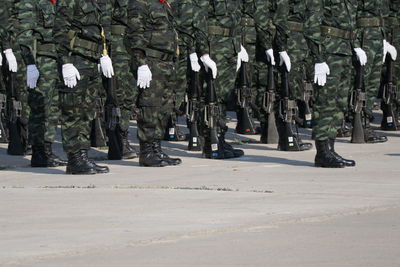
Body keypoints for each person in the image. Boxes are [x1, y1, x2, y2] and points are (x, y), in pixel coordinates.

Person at [53, 0, 111, 174]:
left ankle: (83, 156)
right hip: (76, 61)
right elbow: (60, 32)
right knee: (73, 111)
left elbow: (97, 32)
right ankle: (74, 159)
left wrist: (102, 55)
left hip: (91, 61)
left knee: (86, 112)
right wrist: (65, 63)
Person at [125, 0, 182, 167]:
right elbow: (135, 34)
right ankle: (147, 152)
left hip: (166, 62)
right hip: (152, 61)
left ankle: (156, 148)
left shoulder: (163, 4)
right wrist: (141, 63)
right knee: (150, 107)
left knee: (164, 109)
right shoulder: (140, 3)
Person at [17, 0, 67, 167]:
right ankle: (38, 152)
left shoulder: (57, 3)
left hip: (56, 60)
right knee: (40, 108)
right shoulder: (31, 3)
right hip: (41, 61)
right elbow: (24, 35)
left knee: (52, 109)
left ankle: (47, 149)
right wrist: (30, 63)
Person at [312, 0, 360, 167]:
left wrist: (355, 46)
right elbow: (311, 24)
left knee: (339, 103)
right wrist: (318, 59)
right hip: (329, 52)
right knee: (325, 103)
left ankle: (331, 149)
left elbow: (350, 22)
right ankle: (322, 152)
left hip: (344, 51)